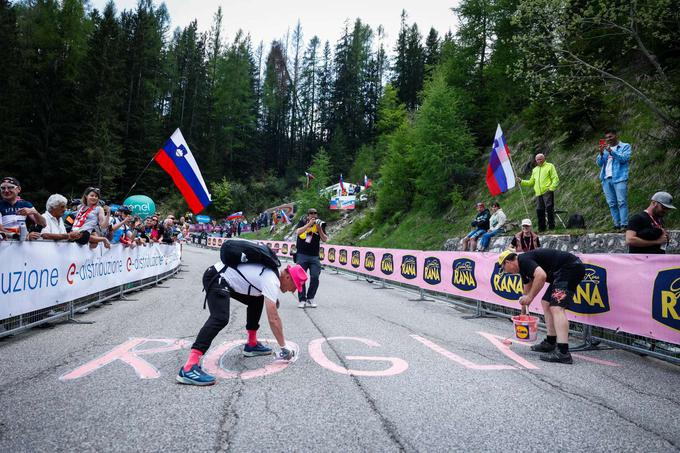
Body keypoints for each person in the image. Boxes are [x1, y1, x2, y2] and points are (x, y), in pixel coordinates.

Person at [176, 263, 308, 386]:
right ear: (287, 276)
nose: (294, 291)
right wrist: (284, 347)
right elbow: (273, 319)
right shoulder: (272, 280)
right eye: (295, 286)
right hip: (217, 277)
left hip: (225, 277)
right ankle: (189, 367)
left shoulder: (273, 271)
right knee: (220, 318)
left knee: (257, 299)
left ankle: (251, 344)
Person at [499, 248, 585, 364]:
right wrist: (523, 313)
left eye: (504, 268)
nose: (506, 272)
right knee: (546, 303)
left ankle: (563, 352)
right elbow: (527, 289)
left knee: (556, 307)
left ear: (508, 262)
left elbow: (541, 276)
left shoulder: (523, 259)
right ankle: (550, 342)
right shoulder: (523, 269)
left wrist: (530, 297)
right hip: (561, 272)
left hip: (570, 268)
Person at [597, 129, 632, 230]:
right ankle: (617, 224)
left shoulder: (625, 146)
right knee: (612, 203)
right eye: (607, 137)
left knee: (621, 201)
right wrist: (601, 153)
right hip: (606, 178)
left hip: (620, 178)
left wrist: (611, 152)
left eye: (610, 137)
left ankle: (624, 224)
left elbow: (624, 159)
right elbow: (599, 164)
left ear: (616, 135)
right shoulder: (605, 149)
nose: (608, 139)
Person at [294, 208, 328, 308]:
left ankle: (310, 298)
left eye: (315, 213)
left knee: (315, 277)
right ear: (308, 215)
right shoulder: (302, 222)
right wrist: (309, 224)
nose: (313, 215)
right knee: (300, 278)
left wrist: (319, 229)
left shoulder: (321, 224)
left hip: (314, 256)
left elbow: (325, 239)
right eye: (311, 213)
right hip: (302, 255)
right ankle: (302, 299)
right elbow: (298, 232)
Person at [518, 153, 559, 231]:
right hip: (538, 193)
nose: (539, 161)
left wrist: (551, 188)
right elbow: (531, 182)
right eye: (537, 159)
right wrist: (521, 181)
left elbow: (555, 178)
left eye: (540, 159)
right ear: (535, 160)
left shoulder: (550, 166)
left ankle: (551, 227)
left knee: (549, 209)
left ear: (544, 159)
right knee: (539, 210)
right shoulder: (535, 170)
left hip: (547, 191)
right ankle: (542, 228)